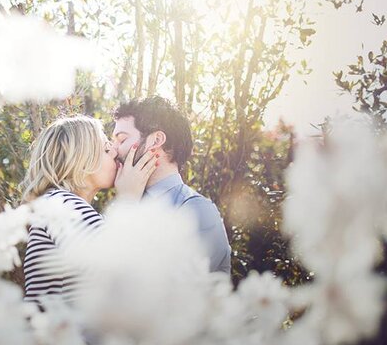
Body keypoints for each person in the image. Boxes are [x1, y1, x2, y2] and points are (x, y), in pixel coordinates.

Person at [20, 115, 158, 309]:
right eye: (105, 148)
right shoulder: (62, 205)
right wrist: (128, 200)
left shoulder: (61, 205)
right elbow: (114, 272)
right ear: (81, 160)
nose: (114, 152)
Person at [112, 96, 232, 274]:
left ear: (156, 140)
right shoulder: (129, 199)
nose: (114, 150)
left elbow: (159, 289)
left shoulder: (196, 211)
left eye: (121, 140)